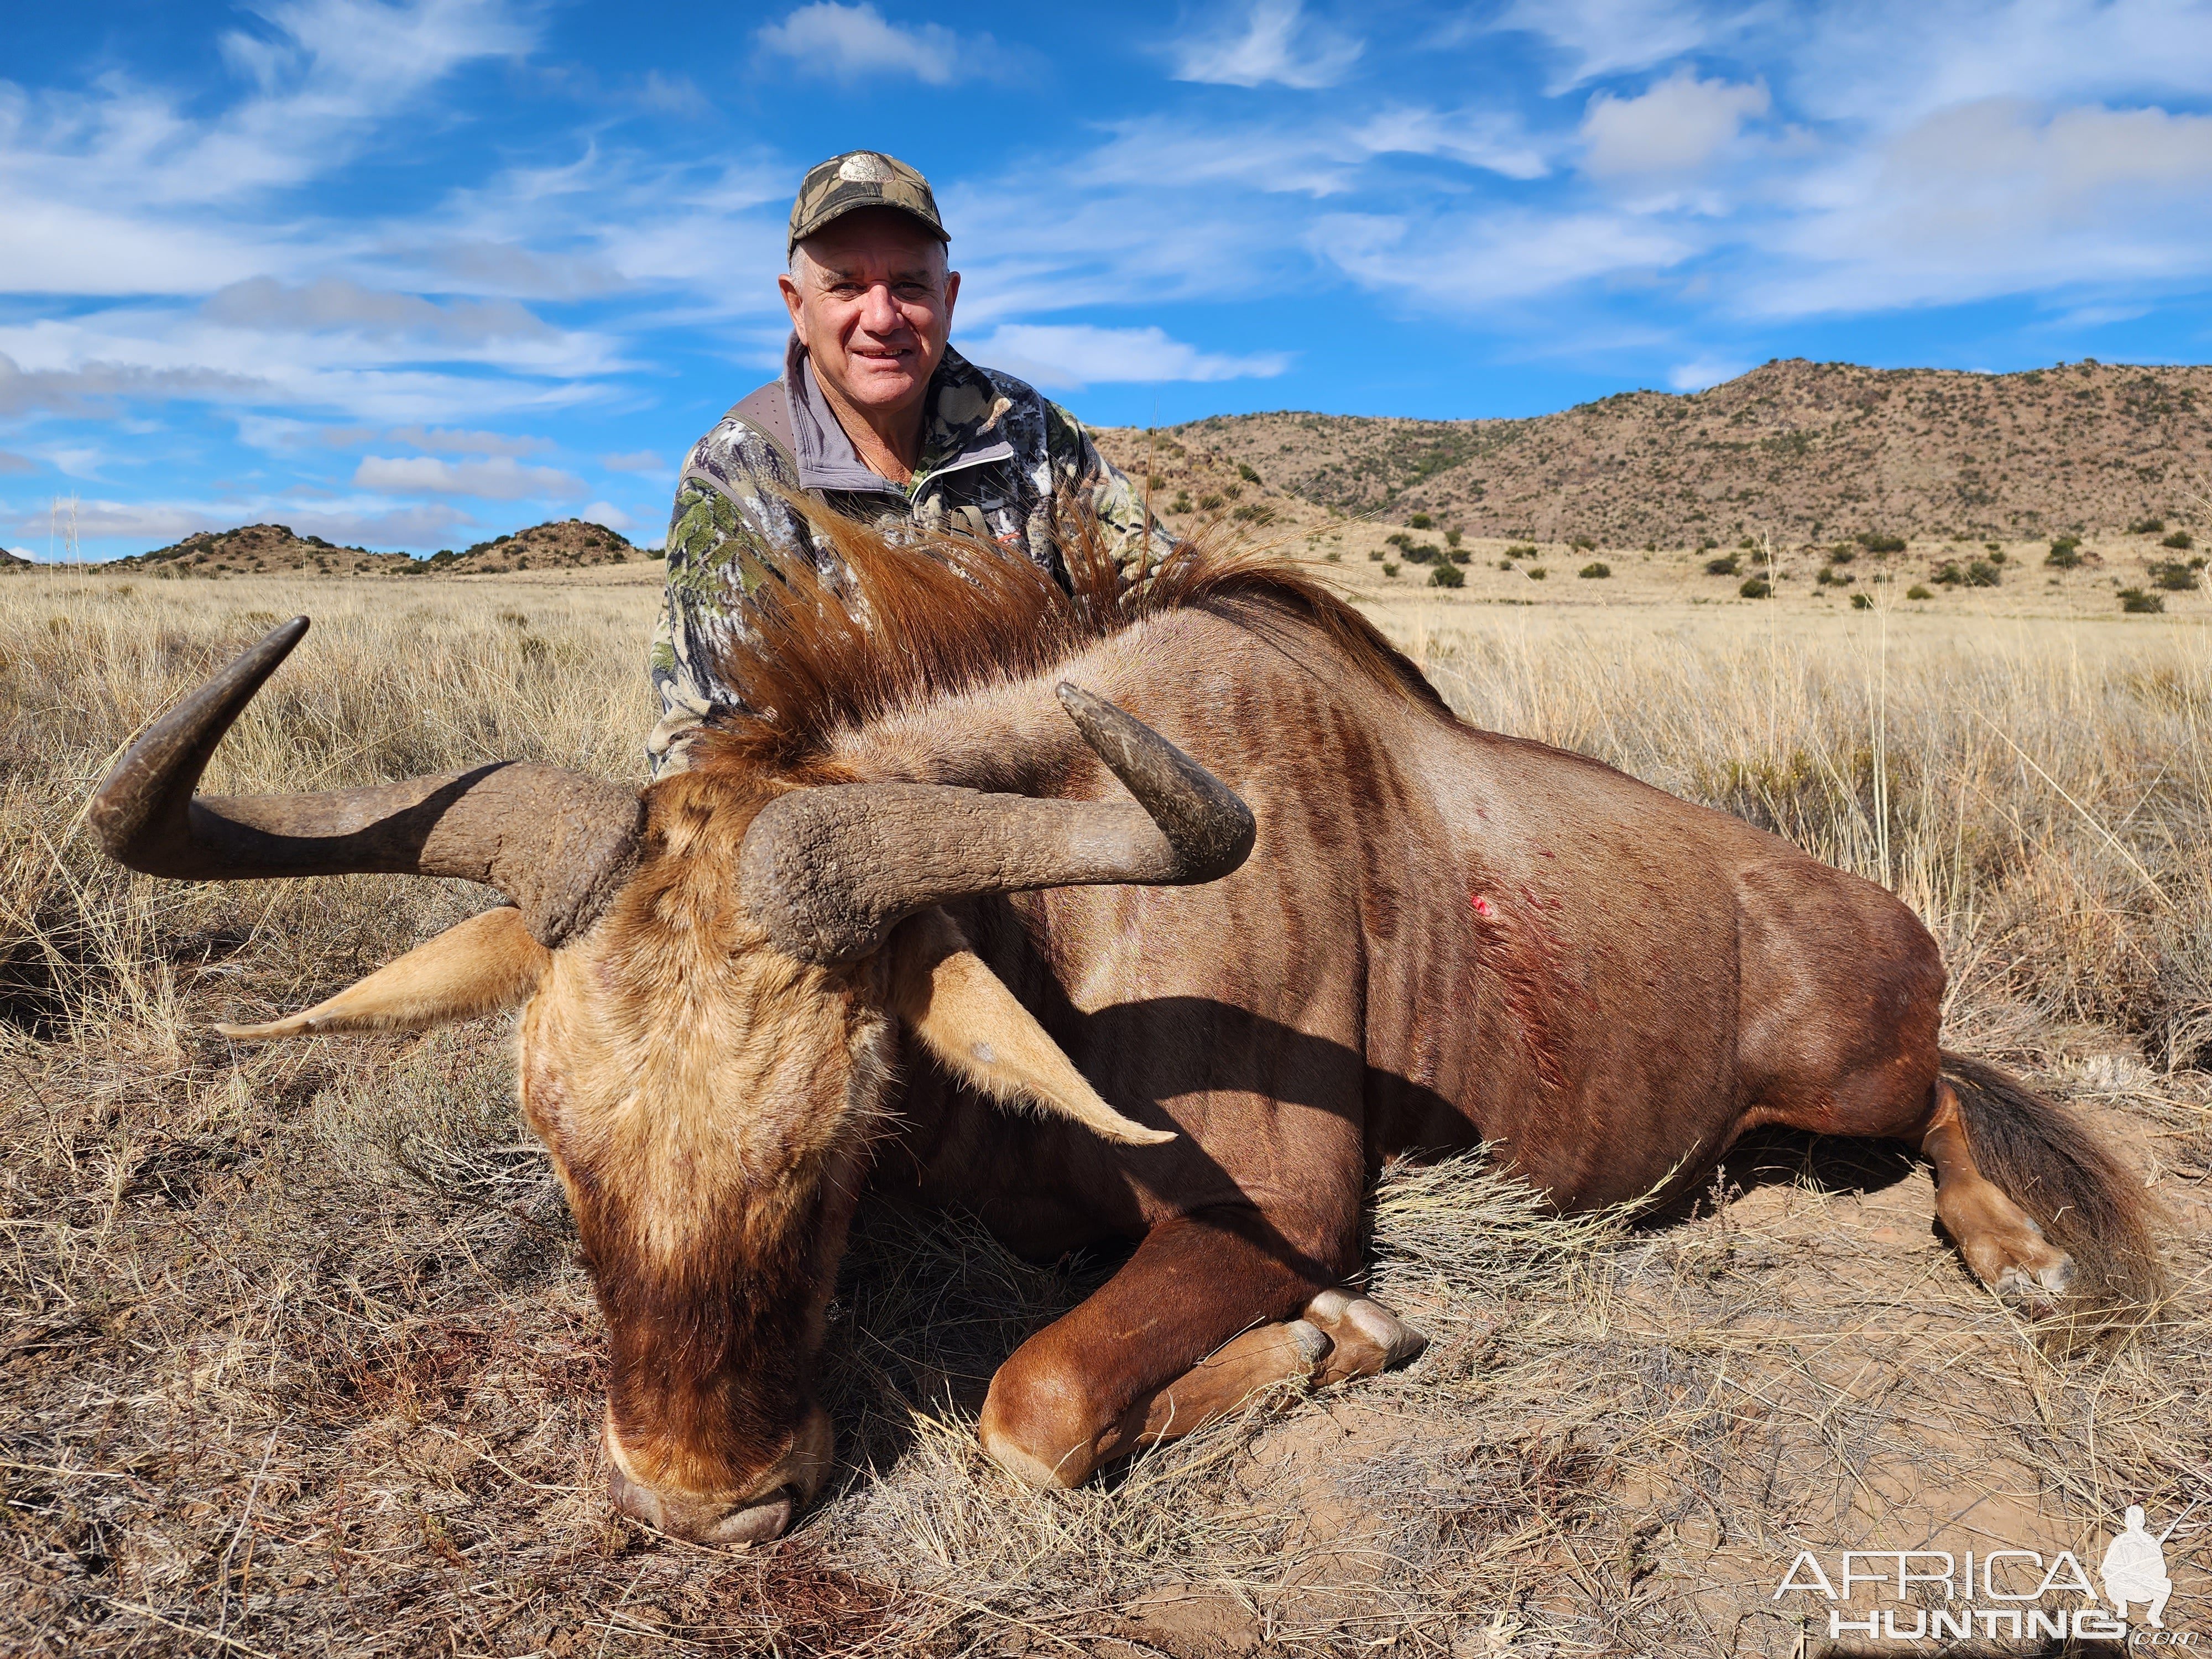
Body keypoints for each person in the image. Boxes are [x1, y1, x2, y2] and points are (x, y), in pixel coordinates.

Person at [646, 149, 1171, 775]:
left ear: (948, 297)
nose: (881, 317)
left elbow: (1167, 597)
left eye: (909, 285)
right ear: (796, 305)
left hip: (1060, 793)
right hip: (853, 830)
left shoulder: (1026, 424)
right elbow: (711, 749)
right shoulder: (738, 473)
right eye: (845, 284)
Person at [2101, 1505, 2173, 1627]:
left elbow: (2161, 1570)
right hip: (2122, 1588)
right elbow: (2107, 1568)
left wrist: (2146, 1576)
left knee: (2166, 1583)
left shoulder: (2150, 1542)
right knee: (2110, 1582)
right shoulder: (2120, 1540)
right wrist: (2125, 1574)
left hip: (2145, 1590)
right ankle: (2122, 1606)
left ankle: (2154, 1615)